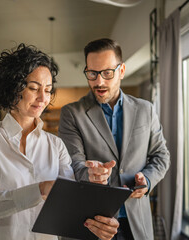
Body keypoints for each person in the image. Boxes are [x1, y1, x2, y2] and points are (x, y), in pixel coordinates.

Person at [0, 43, 119, 240]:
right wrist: (40, 189)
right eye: (33, 88)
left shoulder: (55, 145)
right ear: (12, 88)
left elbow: (70, 203)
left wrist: (95, 184)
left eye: (47, 90)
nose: (43, 98)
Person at [58, 38, 170, 240]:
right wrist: (90, 174)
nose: (99, 82)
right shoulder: (71, 113)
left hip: (137, 223)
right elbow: (73, 164)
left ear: (122, 70)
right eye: (92, 73)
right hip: (93, 224)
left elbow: (161, 155)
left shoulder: (146, 109)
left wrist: (148, 180)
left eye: (107, 73)